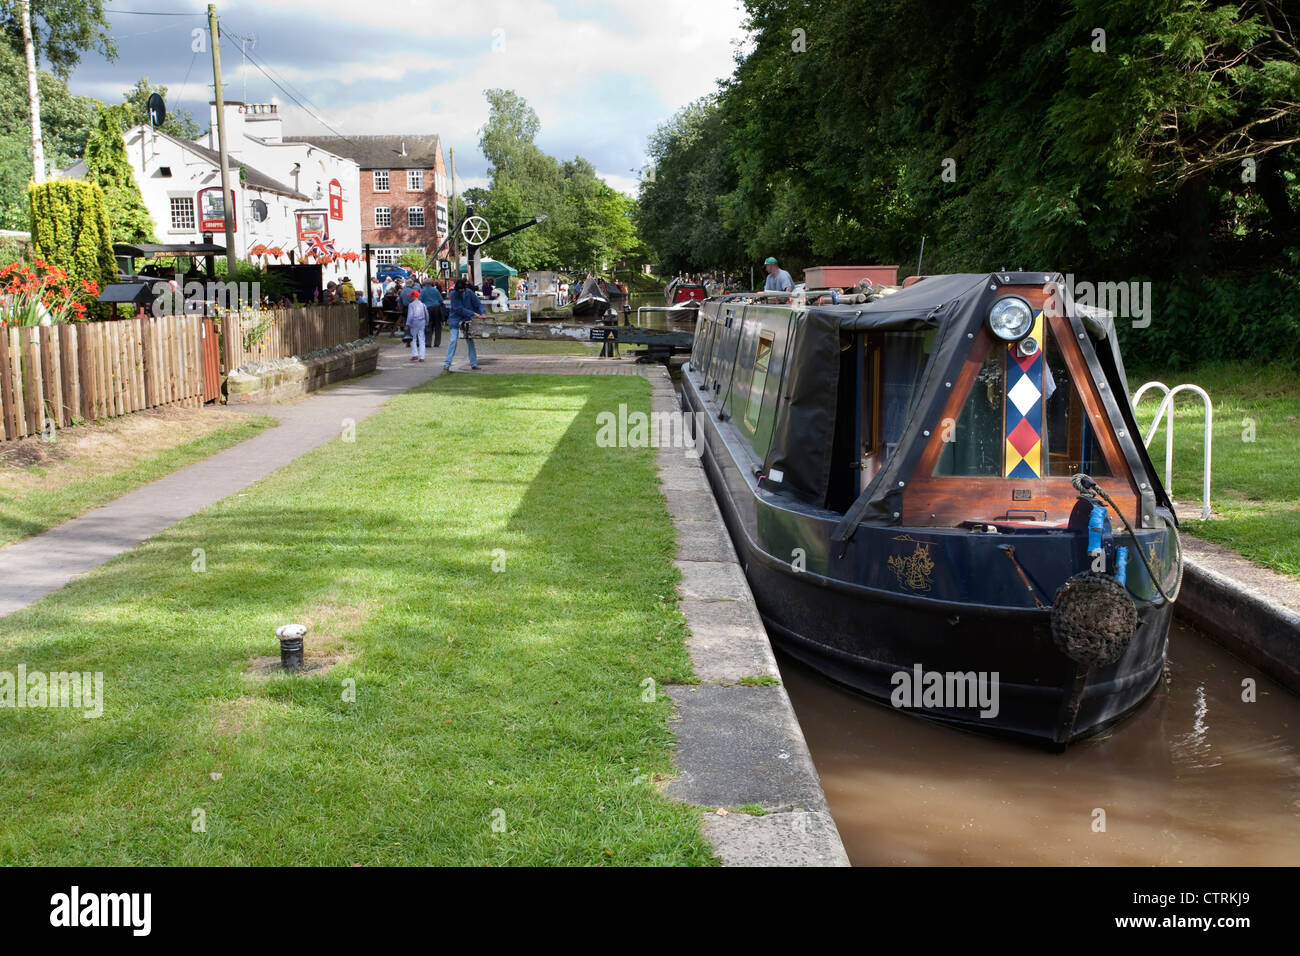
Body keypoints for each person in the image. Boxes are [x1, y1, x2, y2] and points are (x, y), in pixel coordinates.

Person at [444, 277, 483, 372]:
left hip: (467, 319)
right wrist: (474, 314)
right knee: (453, 340)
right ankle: (447, 363)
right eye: (459, 291)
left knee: (470, 341)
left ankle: (473, 363)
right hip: (455, 319)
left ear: (465, 288)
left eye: (462, 290)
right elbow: (459, 309)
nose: (461, 292)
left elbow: (477, 303)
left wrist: (482, 312)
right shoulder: (453, 295)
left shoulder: (469, 292)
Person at [420, 278, 445, 349]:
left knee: (428, 325)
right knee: (437, 325)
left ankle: (428, 342)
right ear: (431, 283)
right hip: (436, 308)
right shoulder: (435, 290)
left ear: (424, 284)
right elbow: (441, 300)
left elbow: (420, 300)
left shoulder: (423, 291)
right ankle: (437, 342)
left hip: (427, 309)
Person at [405, 290, 429, 362]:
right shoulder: (423, 304)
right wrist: (426, 322)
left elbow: (410, 315)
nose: (411, 297)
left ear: (414, 296)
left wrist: (407, 324)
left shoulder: (411, 305)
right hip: (422, 322)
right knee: (422, 339)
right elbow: (426, 314)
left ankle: (415, 355)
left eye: (411, 296)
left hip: (414, 323)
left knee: (413, 339)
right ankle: (422, 357)